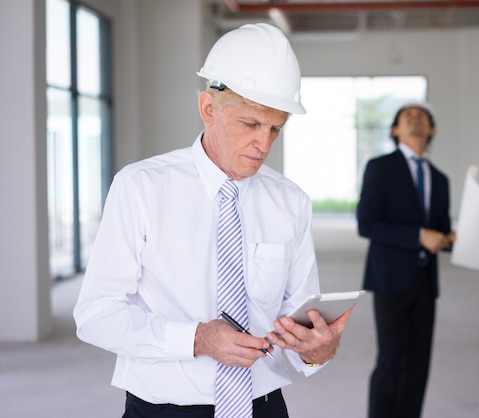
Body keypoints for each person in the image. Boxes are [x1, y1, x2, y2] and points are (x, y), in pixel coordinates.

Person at [73, 23, 352, 418]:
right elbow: (96, 315)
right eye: (251, 124)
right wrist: (197, 339)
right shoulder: (140, 188)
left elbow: (298, 317)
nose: (264, 144)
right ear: (208, 109)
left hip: (265, 407)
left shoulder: (291, 202)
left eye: (276, 128)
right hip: (163, 409)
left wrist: (318, 350)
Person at [357, 102, 455, 418]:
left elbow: (440, 229)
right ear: (396, 130)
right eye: (406, 116)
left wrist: (452, 239)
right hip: (390, 279)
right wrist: (418, 236)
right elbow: (366, 223)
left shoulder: (440, 179)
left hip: (427, 281)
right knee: (390, 361)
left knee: (418, 365)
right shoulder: (380, 167)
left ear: (432, 130)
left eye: (422, 116)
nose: (415, 118)